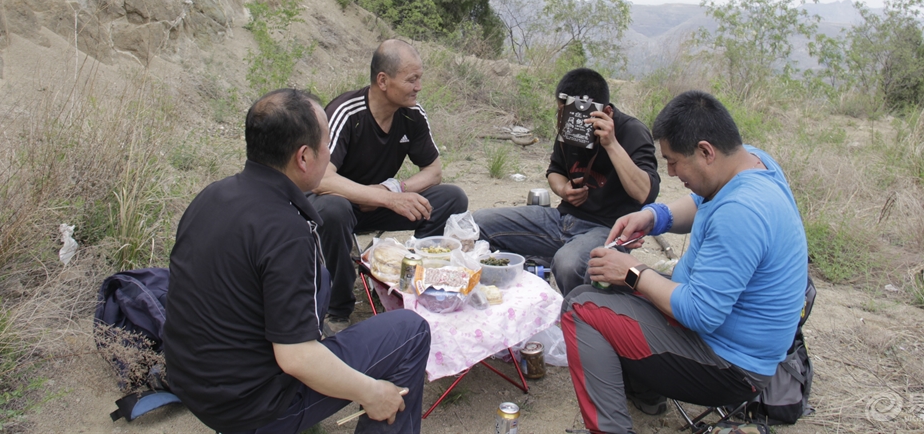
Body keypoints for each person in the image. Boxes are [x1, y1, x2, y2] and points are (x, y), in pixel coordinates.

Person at [164, 89, 431, 434]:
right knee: (410, 331)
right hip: (254, 409)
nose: (330, 154)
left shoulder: (211, 196)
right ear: (304, 157)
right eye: (326, 146)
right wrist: (373, 391)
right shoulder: (287, 230)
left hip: (191, 382)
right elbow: (296, 357)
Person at [562, 90, 809, 434]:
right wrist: (652, 217)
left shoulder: (742, 211)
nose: (672, 171)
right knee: (607, 287)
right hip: (725, 337)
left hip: (730, 366)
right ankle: (646, 392)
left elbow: (700, 313)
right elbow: (700, 200)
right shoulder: (750, 161)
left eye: (674, 161)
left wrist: (633, 273)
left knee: (580, 307)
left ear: (706, 151)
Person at [310, 39, 468, 331]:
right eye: (412, 79)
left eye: (420, 78)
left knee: (451, 198)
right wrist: (384, 198)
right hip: (338, 203)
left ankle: (406, 281)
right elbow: (321, 178)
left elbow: (433, 172)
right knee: (333, 210)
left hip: (379, 203)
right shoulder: (346, 112)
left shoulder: (412, 115)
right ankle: (338, 308)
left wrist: (392, 191)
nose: (419, 86)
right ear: (383, 80)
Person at [474, 68, 660, 295]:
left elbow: (645, 193)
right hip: (562, 221)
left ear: (606, 112)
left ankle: (578, 316)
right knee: (477, 223)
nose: (567, 120)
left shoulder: (632, 131)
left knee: (568, 263)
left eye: (573, 115)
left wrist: (611, 144)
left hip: (607, 230)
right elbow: (555, 170)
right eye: (562, 112)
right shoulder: (568, 127)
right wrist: (563, 189)